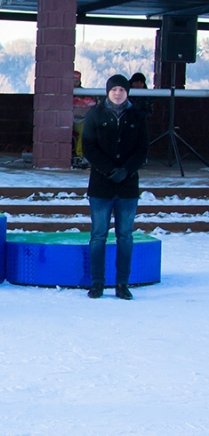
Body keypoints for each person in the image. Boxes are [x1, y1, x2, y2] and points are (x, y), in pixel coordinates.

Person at [82, 74, 148, 301]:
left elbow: (142, 149)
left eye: (122, 89)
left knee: (125, 236)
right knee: (98, 236)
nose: (118, 93)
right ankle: (97, 283)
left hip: (127, 187)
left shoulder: (137, 116)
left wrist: (126, 170)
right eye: (114, 89)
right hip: (101, 185)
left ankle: (122, 283)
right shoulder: (95, 115)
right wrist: (109, 169)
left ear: (127, 92)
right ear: (107, 92)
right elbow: (88, 147)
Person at [72, 71, 96, 169]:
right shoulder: (63, 93)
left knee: (85, 131)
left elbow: (92, 105)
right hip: (67, 121)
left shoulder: (83, 93)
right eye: (72, 81)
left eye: (76, 81)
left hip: (81, 121)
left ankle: (81, 155)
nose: (74, 83)